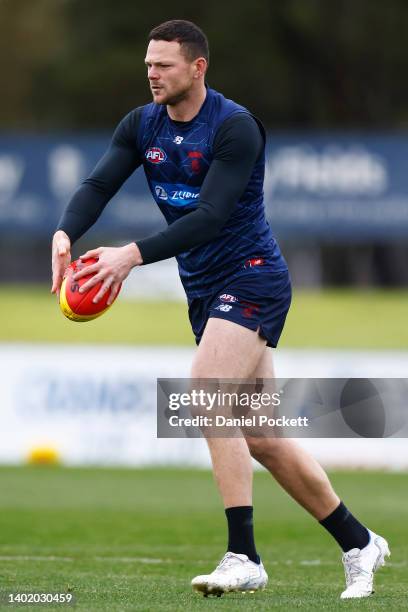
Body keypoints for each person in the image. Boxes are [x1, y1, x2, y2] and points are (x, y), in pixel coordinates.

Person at [51, 19, 390, 599]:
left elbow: (208, 216)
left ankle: (244, 555)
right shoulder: (142, 124)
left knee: (206, 391)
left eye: (164, 65)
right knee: (263, 438)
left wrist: (129, 256)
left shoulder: (235, 128)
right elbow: (97, 183)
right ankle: (360, 542)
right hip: (205, 288)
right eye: (148, 65)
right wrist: (65, 232)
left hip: (253, 277)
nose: (152, 74)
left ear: (198, 67)